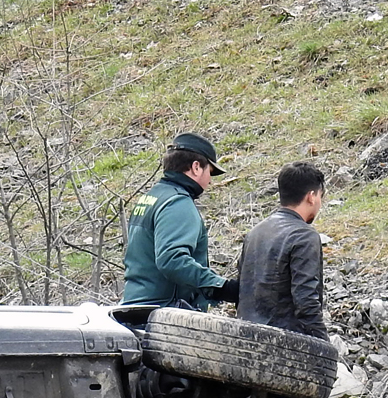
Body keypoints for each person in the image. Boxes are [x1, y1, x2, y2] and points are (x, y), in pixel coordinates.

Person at [122, 133, 239, 311]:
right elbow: (171, 259)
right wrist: (220, 287)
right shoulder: (178, 203)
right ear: (196, 167)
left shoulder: (151, 198)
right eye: (210, 172)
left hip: (136, 308)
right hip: (163, 315)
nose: (209, 181)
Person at [237, 162, 328, 340]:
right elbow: (306, 301)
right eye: (320, 196)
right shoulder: (303, 235)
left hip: (246, 339)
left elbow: (242, 288)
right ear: (311, 197)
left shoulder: (255, 232)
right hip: (284, 344)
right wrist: (324, 345)